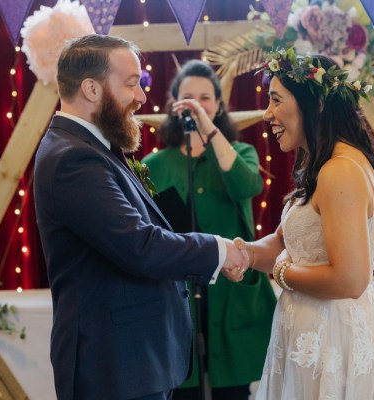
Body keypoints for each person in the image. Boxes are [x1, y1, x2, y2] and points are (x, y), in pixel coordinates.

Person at [33, 34, 248, 400]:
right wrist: (220, 250)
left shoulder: (93, 148)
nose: (142, 97)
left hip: (131, 362)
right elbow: (138, 244)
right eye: (132, 83)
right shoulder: (73, 159)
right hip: (114, 368)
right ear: (92, 89)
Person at [235, 48, 374, 399]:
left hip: (330, 342)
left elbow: (350, 280)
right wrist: (240, 254)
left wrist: (281, 273)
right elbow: (284, 244)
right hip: (308, 339)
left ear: (312, 105)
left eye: (275, 100)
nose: (267, 114)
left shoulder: (340, 170)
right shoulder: (324, 165)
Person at [142, 60, 276, 400]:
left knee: (232, 391)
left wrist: (209, 131)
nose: (197, 105)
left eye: (206, 97)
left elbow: (248, 185)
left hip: (231, 294)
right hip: (178, 298)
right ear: (174, 105)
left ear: (218, 105)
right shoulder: (154, 165)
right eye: (188, 97)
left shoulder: (239, 152)